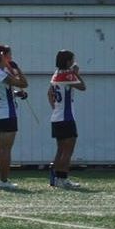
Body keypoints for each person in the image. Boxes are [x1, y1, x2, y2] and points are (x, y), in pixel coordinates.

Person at [0, 43, 28, 190]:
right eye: (9, 55)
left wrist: (16, 94)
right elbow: (24, 83)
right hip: (6, 114)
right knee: (6, 150)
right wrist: (18, 69)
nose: (11, 58)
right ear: (3, 56)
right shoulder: (2, 73)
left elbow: (3, 91)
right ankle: (4, 180)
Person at [48, 49, 87, 189]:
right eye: (72, 59)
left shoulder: (56, 74)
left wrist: (55, 108)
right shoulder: (68, 75)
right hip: (66, 118)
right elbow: (83, 87)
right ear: (68, 61)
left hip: (56, 117)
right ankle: (62, 178)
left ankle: (55, 178)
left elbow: (49, 93)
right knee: (68, 151)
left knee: (60, 150)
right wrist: (75, 73)